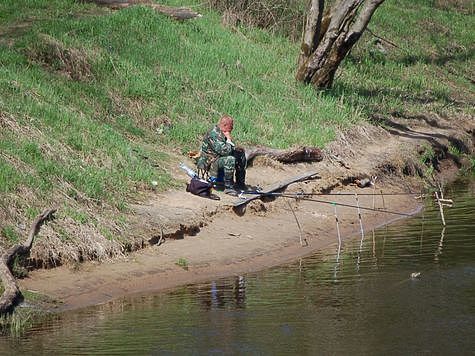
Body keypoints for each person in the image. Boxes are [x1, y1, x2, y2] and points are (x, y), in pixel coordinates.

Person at [197, 115, 247, 196]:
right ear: (224, 125)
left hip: (218, 157)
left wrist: (236, 149)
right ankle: (228, 187)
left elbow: (227, 149)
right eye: (231, 126)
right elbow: (225, 151)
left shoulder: (222, 132)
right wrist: (229, 139)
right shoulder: (214, 134)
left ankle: (240, 183)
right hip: (210, 161)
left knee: (240, 154)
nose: (232, 129)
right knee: (230, 159)